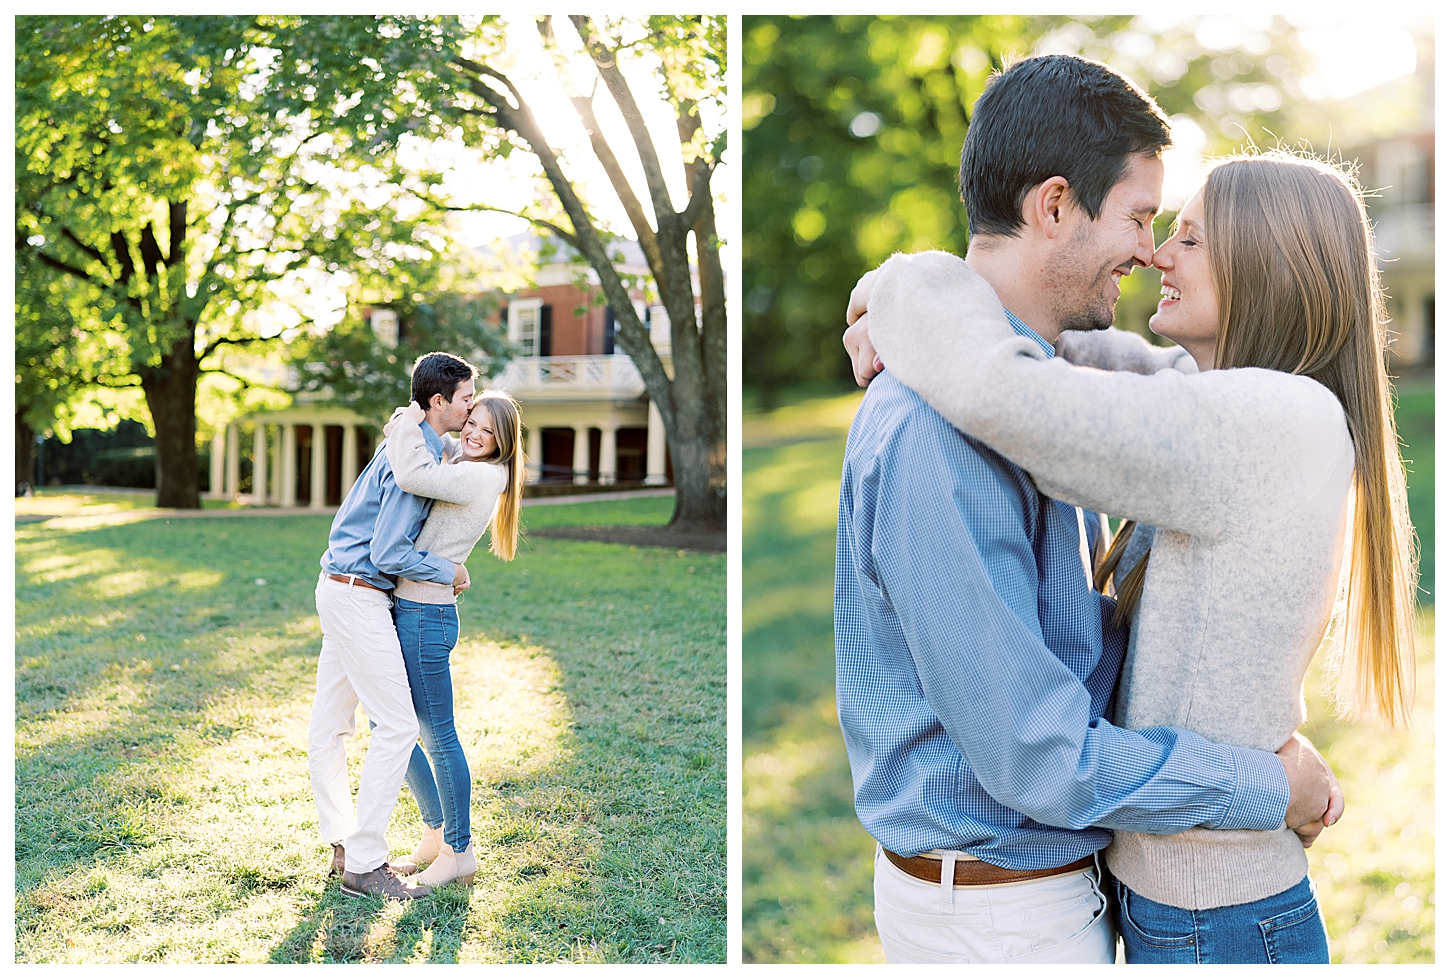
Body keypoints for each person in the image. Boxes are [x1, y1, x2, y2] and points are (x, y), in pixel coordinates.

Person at [831, 54, 1343, 965]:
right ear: (1055, 205)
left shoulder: (1051, 398)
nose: (1151, 252)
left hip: (1058, 892)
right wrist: (1266, 781)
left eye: (1177, 231)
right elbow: (1043, 754)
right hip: (998, 913)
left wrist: (904, 288)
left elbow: (1077, 645)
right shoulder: (941, 426)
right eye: (1145, 219)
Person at [308, 351, 476, 901]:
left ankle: (341, 841)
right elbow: (388, 549)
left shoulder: (412, 440)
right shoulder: (413, 464)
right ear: (438, 402)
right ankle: (364, 861)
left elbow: (452, 445)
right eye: (466, 399)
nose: (471, 408)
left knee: (331, 727)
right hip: (359, 595)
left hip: (337, 586)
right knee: (399, 726)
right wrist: (446, 568)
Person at [377, 390, 525, 889]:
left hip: (427, 615)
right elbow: (432, 460)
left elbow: (413, 475)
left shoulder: (483, 474)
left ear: (504, 439)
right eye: (471, 421)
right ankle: (434, 833)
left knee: (437, 734)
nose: (473, 432)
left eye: (487, 428)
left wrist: (405, 423)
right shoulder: (464, 462)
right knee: (390, 722)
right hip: (411, 606)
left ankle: (459, 850)